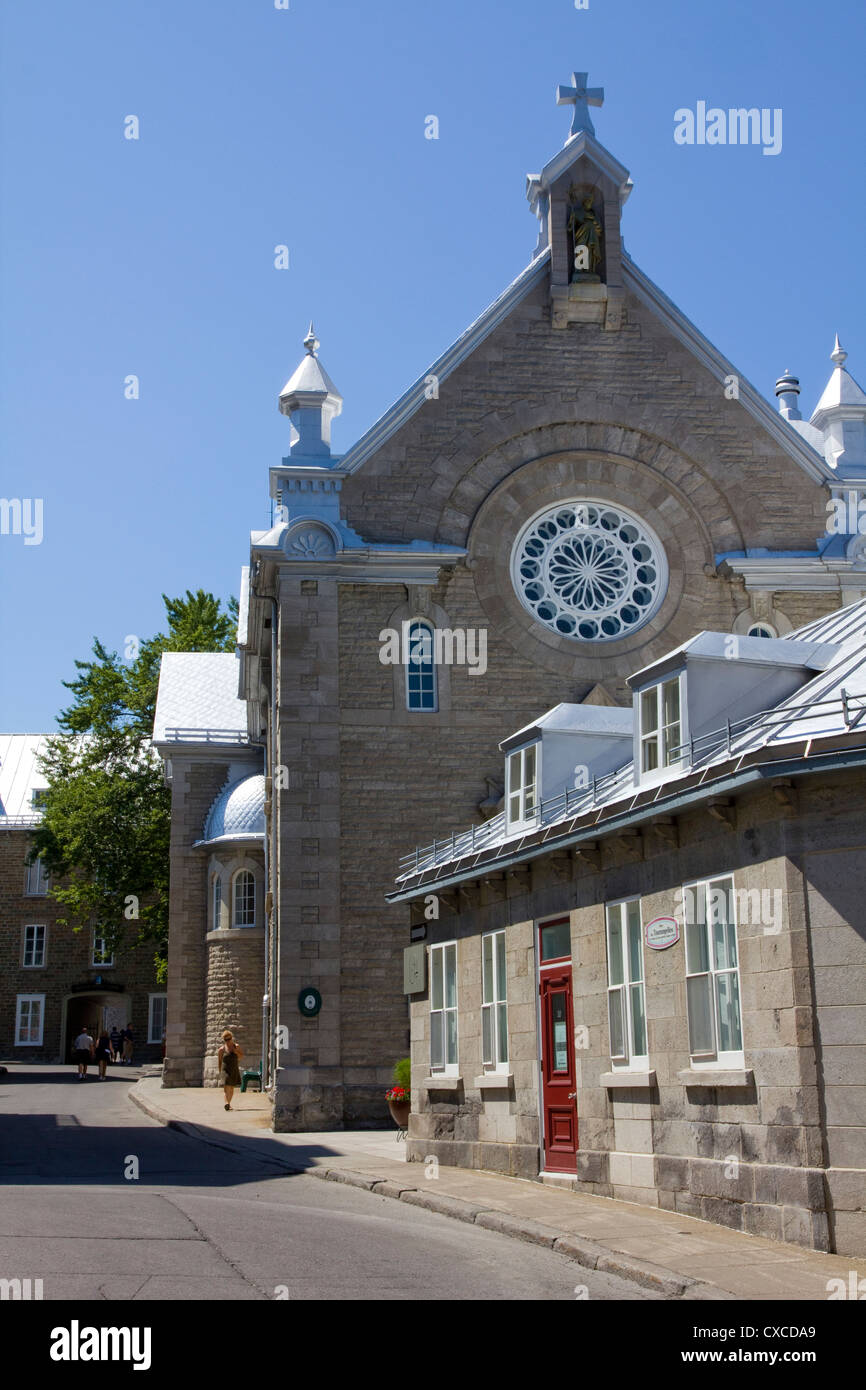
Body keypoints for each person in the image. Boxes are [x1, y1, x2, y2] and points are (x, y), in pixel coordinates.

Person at [217, 1030, 243, 1111]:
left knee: (231, 1088)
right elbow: (219, 1061)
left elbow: (241, 1056)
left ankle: (229, 1104)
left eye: (229, 1039)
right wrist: (220, 1072)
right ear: (224, 1040)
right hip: (225, 1070)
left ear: (232, 1038)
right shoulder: (221, 1049)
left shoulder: (236, 1046)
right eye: (226, 1040)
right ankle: (226, 1103)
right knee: (226, 1088)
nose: (228, 1041)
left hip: (234, 1069)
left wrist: (236, 1052)